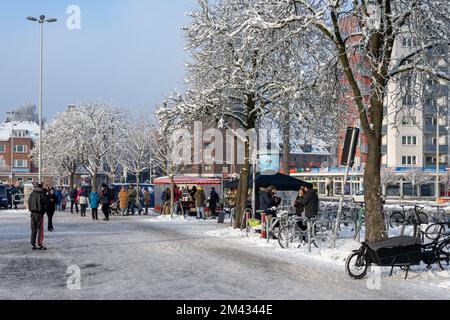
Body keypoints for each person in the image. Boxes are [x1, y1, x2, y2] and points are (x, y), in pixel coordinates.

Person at [28, 183, 48, 250]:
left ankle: (33, 244)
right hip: (39, 214)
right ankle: (39, 244)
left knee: (33, 230)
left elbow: (29, 202)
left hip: (32, 214)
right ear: (40, 188)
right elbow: (45, 201)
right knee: (40, 230)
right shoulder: (41, 194)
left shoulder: (31, 194)